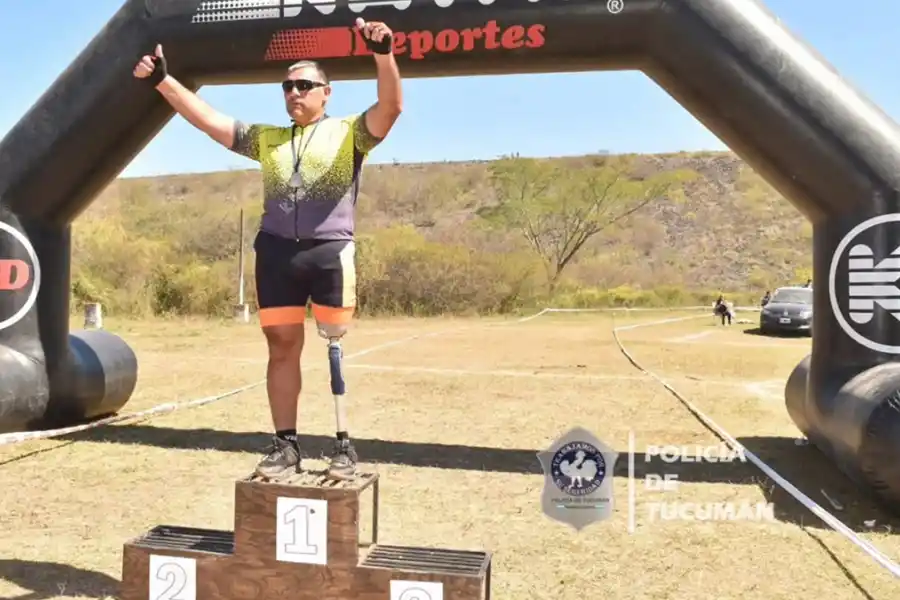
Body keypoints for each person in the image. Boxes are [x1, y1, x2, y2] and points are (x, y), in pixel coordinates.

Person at [132, 19, 403, 481]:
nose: (294, 93)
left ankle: (343, 445)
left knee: (334, 344)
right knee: (281, 348)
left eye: (304, 84)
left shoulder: (349, 133)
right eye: (287, 87)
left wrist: (383, 54)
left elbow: (391, 107)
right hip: (277, 254)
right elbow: (208, 120)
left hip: (329, 251)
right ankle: (286, 445)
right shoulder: (268, 139)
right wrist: (163, 81)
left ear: (326, 92)